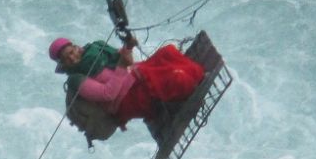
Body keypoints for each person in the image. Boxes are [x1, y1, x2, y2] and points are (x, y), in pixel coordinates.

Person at [49, 33, 205, 128]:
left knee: (168, 52)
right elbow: (108, 94)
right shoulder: (77, 79)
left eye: (71, 52)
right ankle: (191, 85)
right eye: (66, 58)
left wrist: (128, 47)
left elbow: (126, 60)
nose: (71, 57)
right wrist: (122, 67)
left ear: (76, 47)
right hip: (127, 100)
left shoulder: (96, 50)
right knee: (175, 77)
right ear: (63, 64)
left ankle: (198, 75)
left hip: (136, 75)